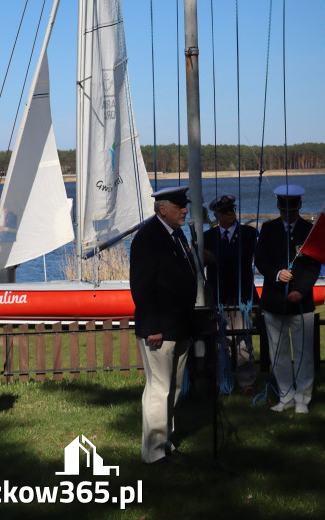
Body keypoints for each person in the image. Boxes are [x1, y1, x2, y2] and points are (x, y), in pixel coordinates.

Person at [130, 186, 197, 465]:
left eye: (185, 205)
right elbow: (142, 287)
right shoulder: (148, 238)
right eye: (179, 206)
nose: (185, 210)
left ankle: (166, 442)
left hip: (180, 326)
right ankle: (154, 453)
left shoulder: (177, 234)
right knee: (159, 388)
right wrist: (152, 326)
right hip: (160, 328)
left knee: (175, 387)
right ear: (162, 209)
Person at [255, 185, 320, 414]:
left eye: (292, 210)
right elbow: (260, 260)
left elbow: (313, 266)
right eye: (284, 210)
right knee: (279, 352)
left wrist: (301, 290)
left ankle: (303, 398)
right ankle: (286, 396)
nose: (288, 214)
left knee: (304, 353)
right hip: (274, 300)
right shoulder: (268, 229)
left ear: (299, 206)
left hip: (302, 302)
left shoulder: (309, 230)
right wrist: (276, 274)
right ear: (278, 207)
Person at [203, 193, 257, 393]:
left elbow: (241, 258)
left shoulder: (248, 233)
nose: (230, 214)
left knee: (244, 343)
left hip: (241, 296)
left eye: (232, 210)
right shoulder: (207, 237)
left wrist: (214, 258)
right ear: (216, 214)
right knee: (220, 343)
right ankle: (222, 382)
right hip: (218, 296)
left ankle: (247, 383)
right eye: (225, 212)